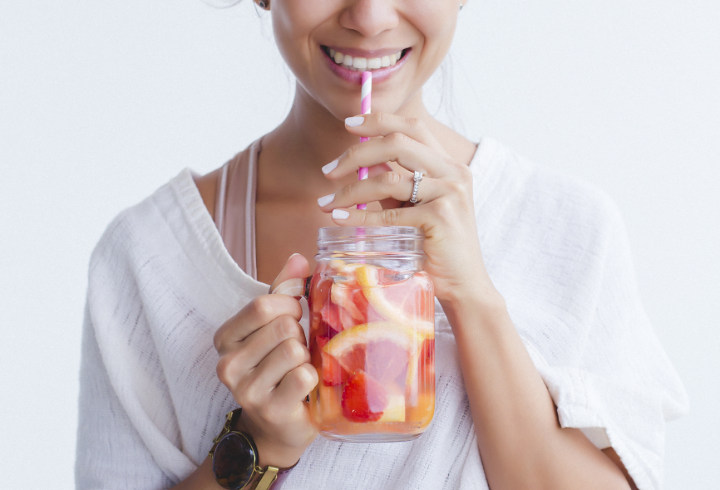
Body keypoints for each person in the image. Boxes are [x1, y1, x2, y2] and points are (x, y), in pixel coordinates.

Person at [75, 0, 688, 488]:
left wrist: (473, 296)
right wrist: (259, 447)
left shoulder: (569, 229)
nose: (369, 16)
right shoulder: (150, 257)